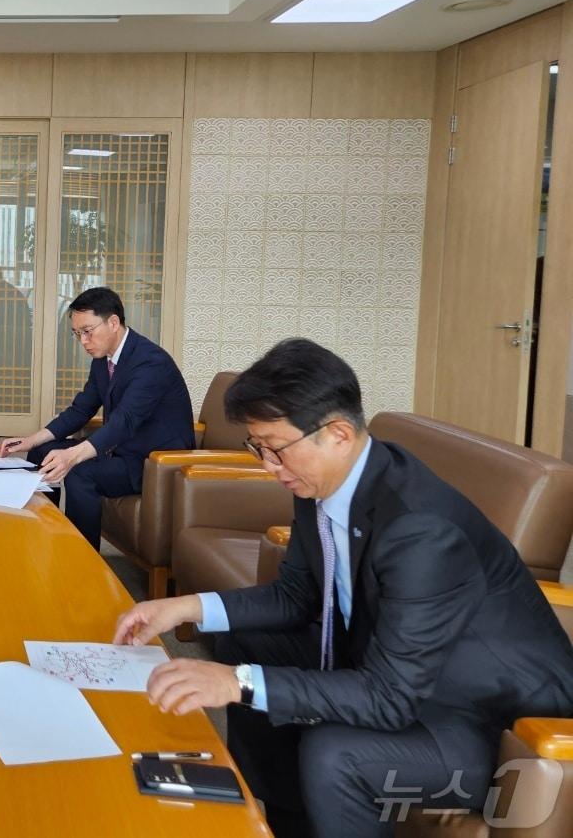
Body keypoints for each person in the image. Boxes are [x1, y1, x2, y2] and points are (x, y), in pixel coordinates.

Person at [112, 338, 573, 838]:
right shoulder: (324, 484)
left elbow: (391, 698)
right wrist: (184, 607)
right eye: (258, 447)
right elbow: (294, 597)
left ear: (337, 433)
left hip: (489, 722)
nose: (267, 465)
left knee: (335, 752)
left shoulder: (421, 532)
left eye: (274, 447)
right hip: (398, 667)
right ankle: (287, 821)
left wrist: (235, 684)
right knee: (248, 643)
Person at [0, 286, 194, 544]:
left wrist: (73, 456)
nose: (83, 342)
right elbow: (82, 408)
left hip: (152, 460)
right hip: (121, 450)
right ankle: (41, 535)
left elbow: (125, 420)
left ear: (113, 322)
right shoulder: (104, 358)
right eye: (77, 334)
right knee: (41, 453)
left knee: (81, 472)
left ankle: (80, 559)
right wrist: (32, 440)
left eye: (88, 332)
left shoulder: (150, 362)